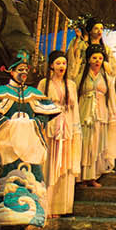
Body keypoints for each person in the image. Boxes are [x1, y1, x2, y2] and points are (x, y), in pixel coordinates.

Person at [0, 50, 60, 225]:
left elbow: (45, 116)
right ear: (11, 71)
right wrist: (12, 125)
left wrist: (33, 124)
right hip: (5, 148)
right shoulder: (0, 92)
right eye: (20, 69)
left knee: (33, 181)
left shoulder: (33, 93)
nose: (24, 73)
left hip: (29, 149)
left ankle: (33, 220)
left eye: (26, 70)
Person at [37, 50, 80, 212]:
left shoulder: (71, 85)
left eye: (64, 63)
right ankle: (46, 207)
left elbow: (75, 109)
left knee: (64, 166)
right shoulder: (44, 84)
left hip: (66, 127)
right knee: (49, 166)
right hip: (51, 127)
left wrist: (76, 130)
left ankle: (61, 207)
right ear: (51, 66)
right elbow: (38, 106)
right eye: (58, 63)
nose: (61, 66)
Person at [78, 44, 116, 188]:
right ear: (89, 59)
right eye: (94, 58)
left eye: (100, 58)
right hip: (84, 115)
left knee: (97, 145)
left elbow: (111, 98)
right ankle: (82, 177)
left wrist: (113, 115)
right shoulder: (81, 76)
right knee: (85, 145)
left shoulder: (106, 77)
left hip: (101, 115)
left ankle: (93, 176)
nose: (97, 61)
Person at [66, 15, 106, 82]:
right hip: (84, 75)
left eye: (101, 28)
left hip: (100, 77)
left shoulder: (106, 48)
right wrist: (77, 39)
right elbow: (73, 56)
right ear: (90, 31)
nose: (99, 31)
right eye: (96, 28)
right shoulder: (83, 45)